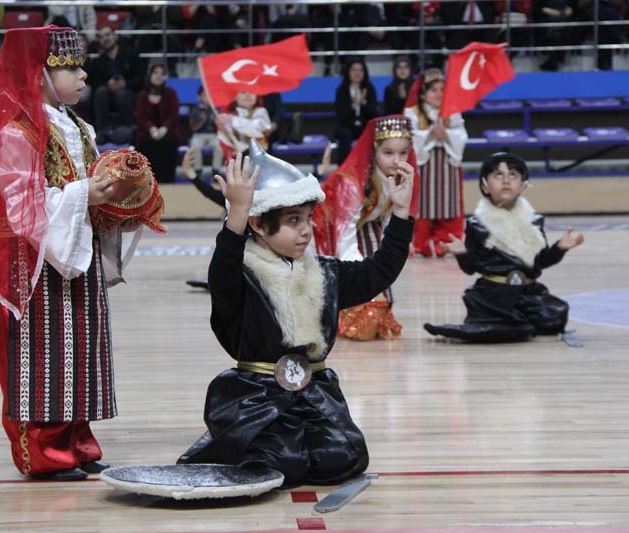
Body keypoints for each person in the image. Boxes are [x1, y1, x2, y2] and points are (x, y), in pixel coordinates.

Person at [0, 26, 157, 481]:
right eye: (72, 69)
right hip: (38, 263)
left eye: (83, 67)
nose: (83, 77)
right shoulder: (16, 132)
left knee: (81, 348)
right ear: (40, 74)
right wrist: (87, 195)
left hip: (77, 254)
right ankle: (44, 451)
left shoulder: (78, 127)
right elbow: (23, 209)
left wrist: (121, 196)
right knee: (44, 356)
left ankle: (78, 440)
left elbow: (85, 191)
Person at [178, 140, 415, 487]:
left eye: (307, 219)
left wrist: (402, 213)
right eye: (293, 221)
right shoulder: (241, 276)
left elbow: (379, 272)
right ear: (259, 225)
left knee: (346, 457)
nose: (306, 229)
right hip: (257, 399)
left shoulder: (326, 273)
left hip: (315, 395)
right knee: (281, 464)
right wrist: (237, 217)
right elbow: (224, 269)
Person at [424, 152, 584, 342]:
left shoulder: (533, 221)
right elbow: (470, 269)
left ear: (523, 186)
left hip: (527, 293)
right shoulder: (478, 225)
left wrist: (559, 248)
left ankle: (512, 325)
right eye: (498, 175)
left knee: (556, 314)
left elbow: (540, 263)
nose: (506, 180)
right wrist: (462, 254)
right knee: (508, 321)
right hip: (492, 294)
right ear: (485, 186)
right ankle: (500, 327)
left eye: (513, 175)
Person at [313, 115, 419, 341]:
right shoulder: (352, 182)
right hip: (332, 233)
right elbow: (343, 232)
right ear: (374, 150)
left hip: (367, 230)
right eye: (388, 153)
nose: (397, 160)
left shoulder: (399, 177)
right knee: (363, 324)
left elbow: (390, 216)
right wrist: (357, 275)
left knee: (379, 315)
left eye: (403, 153)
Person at [404, 68, 468, 257]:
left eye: (442, 89)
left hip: (447, 165)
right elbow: (410, 137)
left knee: (448, 203)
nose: (439, 94)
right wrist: (430, 135)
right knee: (423, 205)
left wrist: (447, 134)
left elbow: (462, 135)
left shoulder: (452, 112)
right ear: (423, 94)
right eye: (434, 90)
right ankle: (422, 242)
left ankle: (445, 241)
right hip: (424, 166)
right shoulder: (412, 112)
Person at [89, 26, 144, 143]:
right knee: (101, 92)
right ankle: (101, 132)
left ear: (115, 36)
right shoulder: (98, 61)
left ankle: (129, 130)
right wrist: (108, 84)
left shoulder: (131, 53)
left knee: (122, 94)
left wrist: (125, 83)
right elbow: (95, 83)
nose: (105, 39)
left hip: (128, 94)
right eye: (101, 37)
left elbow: (140, 79)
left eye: (108, 35)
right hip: (107, 97)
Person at [135, 63, 180, 183]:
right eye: (156, 73)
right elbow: (140, 116)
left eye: (162, 73)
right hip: (147, 131)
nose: (159, 76)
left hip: (168, 130)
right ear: (150, 75)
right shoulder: (142, 95)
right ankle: (147, 179)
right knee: (145, 141)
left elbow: (174, 114)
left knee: (169, 142)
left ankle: (168, 179)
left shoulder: (171, 93)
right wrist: (152, 128)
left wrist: (164, 128)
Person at [333, 58, 378, 165]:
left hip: (364, 124)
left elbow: (373, 114)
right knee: (345, 134)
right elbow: (341, 115)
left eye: (360, 70)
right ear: (348, 72)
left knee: (369, 133)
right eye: (354, 70)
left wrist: (363, 103)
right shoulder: (342, 90)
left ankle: (369, 166)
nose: (357, 73)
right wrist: (353, 105)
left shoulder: (369, 89)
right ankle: (344, 168)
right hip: (347, 125)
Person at [215, 90, 271, 165]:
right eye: (243, 92)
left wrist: (232, 119)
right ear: (234, 97)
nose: (248, 95)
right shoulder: (229, 115)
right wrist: (222, 127)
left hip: (257, 155)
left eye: (251, 92)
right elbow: (226, 139)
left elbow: (255, 130)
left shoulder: (261, 112)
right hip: (236, 156)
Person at [188, 86, 223, 176]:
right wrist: (201, 120)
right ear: (199, 97)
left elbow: (219, 124)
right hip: (199, 134)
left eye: (209, 95)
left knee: (219, 147)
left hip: (212, 134)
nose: (207, 98)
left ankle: (216, 170)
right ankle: (198, 170)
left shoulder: (215, 109)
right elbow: (192, 126)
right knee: (196, 147)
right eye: (204, 95)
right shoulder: (195, 109)